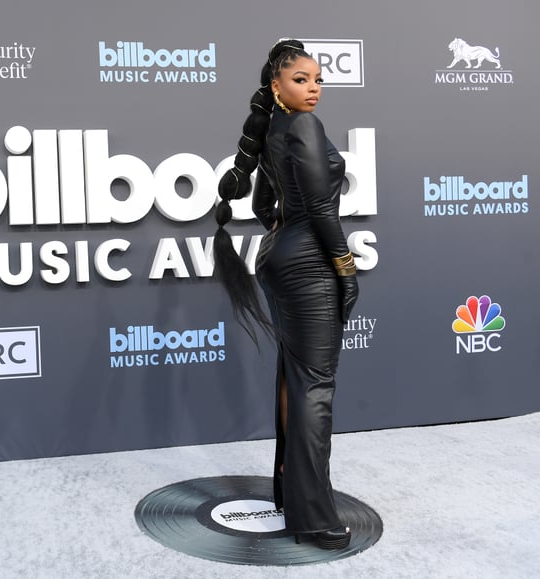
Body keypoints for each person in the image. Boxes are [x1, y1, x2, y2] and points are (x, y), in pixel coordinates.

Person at [213, 40, 359, 549]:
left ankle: (290, 496)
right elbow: (321, 208)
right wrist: (345, 267)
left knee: (296, 379)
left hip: (278, 258)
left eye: (318, 79)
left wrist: (283, 233)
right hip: (310, 263)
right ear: (277, 85)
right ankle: (315, 518)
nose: (313, 88)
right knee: (315, 387)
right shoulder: (304, 126)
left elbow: (262, 201)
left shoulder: (275, 128)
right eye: (301, 79)